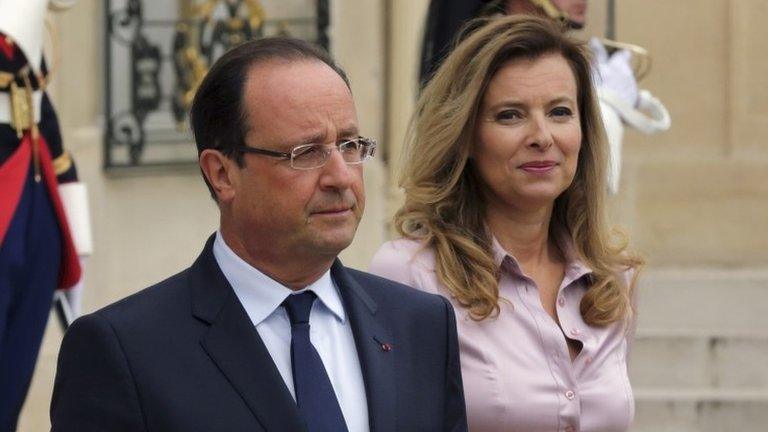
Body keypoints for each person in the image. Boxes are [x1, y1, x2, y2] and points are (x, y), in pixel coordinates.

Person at [50, 37, 467, 432]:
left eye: (350, 145)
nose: (341, 176)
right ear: (222, 173)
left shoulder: (421, 325)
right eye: (307, 153)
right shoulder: (124, 351)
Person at [371, 16, 643, 432]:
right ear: (465, 137)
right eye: (510, 115)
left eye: (559, 112)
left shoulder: (611, 281)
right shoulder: (409, 274)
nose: (541, 136)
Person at [420, 0, 670, 194]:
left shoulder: (566, 55)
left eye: (559, 112)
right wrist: (606, 110)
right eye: (510, 115)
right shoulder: (482, 55)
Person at [0, 0, 90, 429]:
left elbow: (41, 115)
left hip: (32, 200)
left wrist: (75, 230)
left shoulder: (22, 19)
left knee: (11, 382)